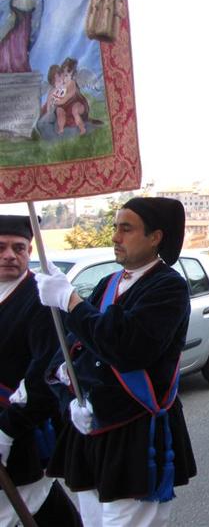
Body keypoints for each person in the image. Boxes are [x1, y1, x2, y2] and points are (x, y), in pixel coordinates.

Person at [35, 197, 197, 527]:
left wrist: (70, 299)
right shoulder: (108, 283)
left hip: (136, 431)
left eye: (126, 229)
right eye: (115, 228)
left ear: (155, 237)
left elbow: (125, 348)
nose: (115, 237)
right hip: (93, 426)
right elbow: (77, 344)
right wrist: (68, 387)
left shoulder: (169, 287)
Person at [0, 215, 82, 526]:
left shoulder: (40, 297)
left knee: (29, 505)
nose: (10, 255)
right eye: (1, 247)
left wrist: (6, 430)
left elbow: (45, 369)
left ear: (30, 251)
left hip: (19, 431)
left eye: (19, 248)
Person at [54, 57, 90, 135]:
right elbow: (57, 94)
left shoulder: (72, 84)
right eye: (63, 74)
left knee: (75, 109)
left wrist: (57, 102)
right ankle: (61, 129)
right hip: (65, 106)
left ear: (72, 75)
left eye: (66, 75)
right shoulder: (61, 84)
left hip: (78, 104)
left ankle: (82, 128)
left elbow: (67, 97)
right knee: (59, 111)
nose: (64, 78)